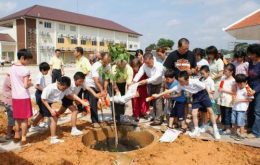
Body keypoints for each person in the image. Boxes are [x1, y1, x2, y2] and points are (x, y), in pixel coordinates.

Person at [153, 71, 221, 139]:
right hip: (195, 96)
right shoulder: (180, 85)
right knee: (194, 113)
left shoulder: (194, 81)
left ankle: (215, 130)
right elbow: (169, 91)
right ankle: (196, 130)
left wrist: (209, 95)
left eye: (181, 81)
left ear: (187, 80)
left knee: (210, 111)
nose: (180, 83)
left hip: (203, 94)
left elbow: (204, 86)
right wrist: (158, 95)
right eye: (179, 81)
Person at [41, 76, 89, 144]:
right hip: (45, 102)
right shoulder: (50, 88)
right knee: (54, 118)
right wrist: (51, 110)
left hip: (51, 102)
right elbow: (43, 99)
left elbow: (72, 94)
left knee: (46, 115)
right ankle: (53, 139)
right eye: (63, 88)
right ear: (58, 83)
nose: (64, 90)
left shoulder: (65, 88)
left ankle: (34, 125)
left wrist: (82, 102)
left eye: (65, 88)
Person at [9, 49, 33, 145]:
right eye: (28, 60)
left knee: (17, 117)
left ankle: (16, 135)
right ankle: (23, 138)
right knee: (24, 119)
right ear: (23, 58)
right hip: (24, 96)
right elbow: (25, 85)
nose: (28, 62)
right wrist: (31, 83)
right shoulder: (25, 70)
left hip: (15, 96)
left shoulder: (12, 68)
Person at [133, 53, 164, 126]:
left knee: (158, 101)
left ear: (152, 59)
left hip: (159, 84)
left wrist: (146, 81)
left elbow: (157, 76)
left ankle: (158, 120)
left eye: (149, 63)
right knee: (152, 101)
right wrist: (134, 81)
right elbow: (139, 73)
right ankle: (155, 116)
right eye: (146, 63)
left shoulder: (159, 66)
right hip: (150, 84)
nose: (147, 65)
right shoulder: (144, 65)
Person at [84, 52, 111, 128]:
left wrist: (105, 89)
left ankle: (98, 119)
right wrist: (101, 90)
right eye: (105, 62)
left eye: (108, 62)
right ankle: (95, 121)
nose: (106, 63)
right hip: (91, 84)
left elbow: (106, 78)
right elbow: (96, 80)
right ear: (101, 59)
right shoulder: (96, 66)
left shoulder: (108, 65)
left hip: (100, 84)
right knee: (93, 101)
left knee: (99, 101)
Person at [231, 74, 253, 140]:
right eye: (238, 83)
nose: (239, 85)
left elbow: (250, 99)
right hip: (235, 108)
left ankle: (241, 135)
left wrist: (239, 100)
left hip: (242, 109)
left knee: (241, 122)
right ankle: (235, 133)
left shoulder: (248, 89)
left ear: (245, 82)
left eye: (241, 84)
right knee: (234, 121)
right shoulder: (236, 86)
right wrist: (233, 99)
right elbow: (233, 94)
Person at [30, 62, 50, 132]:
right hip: (39, 94)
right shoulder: (40, 76)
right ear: (42, 70)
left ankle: (36, 124)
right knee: (44, 111)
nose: (47, 72)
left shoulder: (41, 75)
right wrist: (44, 90)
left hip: (41, 93)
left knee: (42, 111)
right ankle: (34, 125)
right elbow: (37, 86)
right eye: (47, 70)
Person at [207, 46, 224, 122]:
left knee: (216, 101)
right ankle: (215, 117)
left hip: (217, 84)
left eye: (210, 54)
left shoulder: (219, 61)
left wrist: (212, 78)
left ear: (214, 53)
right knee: (212, 101)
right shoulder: (210, 61)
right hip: (211, 84)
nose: (209, 55)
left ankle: (217, 117)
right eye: (208, 54)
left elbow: (221, 73)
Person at [218, 63, 236, 135]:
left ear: (231, 72)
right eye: (224, 71)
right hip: (222, 99)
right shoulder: (223, 78)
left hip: (228, 100)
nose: (224, 72)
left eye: (226, 71)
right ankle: (224, 127)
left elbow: (234, 92)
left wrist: (223, 90)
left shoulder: (233, 81)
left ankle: (228, 129)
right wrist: (220, 89)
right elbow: (221, 86)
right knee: (223, 114)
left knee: (227, 114)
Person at [247, 44, 260, 138]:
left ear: (256, 54)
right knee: (250, 109)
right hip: (250, 89)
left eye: (251, 54)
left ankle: (256, 132)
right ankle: (250, 127)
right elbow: (249, 76)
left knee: (257, 111)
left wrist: (255, 90)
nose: (249, 55)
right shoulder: (251, 62)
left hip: (258, 90)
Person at [199, 65, 217, 132]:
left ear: (208, 72)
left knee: (208, 112)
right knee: (203, 112)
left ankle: (206, 125)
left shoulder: (210, 80)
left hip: (207, 98)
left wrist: (207, 91)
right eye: (201, 74)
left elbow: (213, 90)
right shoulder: (202, 80)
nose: (202, 75)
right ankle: (204, 124)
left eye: (203, 73)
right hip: (202, 98)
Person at [1, 74, 15, 140]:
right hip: (9, 101)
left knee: (12, 117)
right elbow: (16, 87)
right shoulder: (9, 78)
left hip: (10, 100)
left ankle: (11, 132)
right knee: (11, 117)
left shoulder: (10, 77)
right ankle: (8, 134)